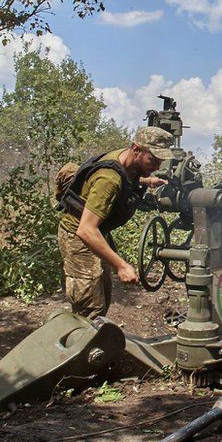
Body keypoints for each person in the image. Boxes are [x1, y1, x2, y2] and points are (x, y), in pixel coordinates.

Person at [56, 126, 173, 319]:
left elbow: (126, 176)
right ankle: (79, 345)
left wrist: (146, 181)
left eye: (161, 161)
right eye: (153, 159)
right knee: (90, 308)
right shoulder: (109, 180)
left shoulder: (126, 161)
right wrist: (121, 265)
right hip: (80, 237)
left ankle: (94, 341)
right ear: (136, 149)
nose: (158, 166)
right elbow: (85, 230)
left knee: (102, 296)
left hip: (97, 233)